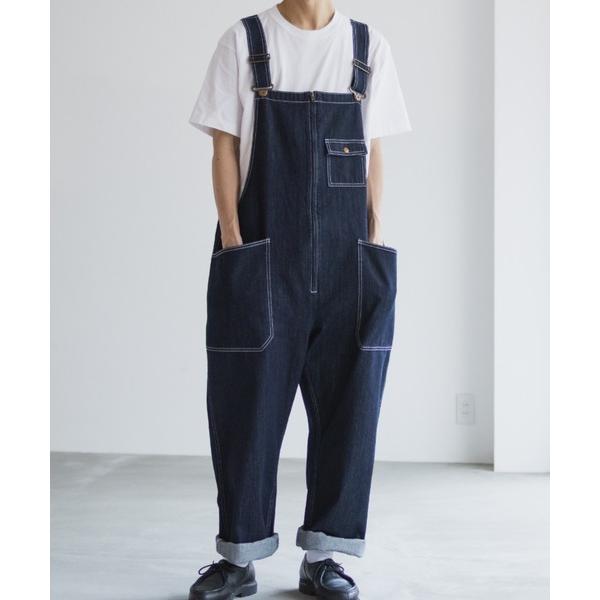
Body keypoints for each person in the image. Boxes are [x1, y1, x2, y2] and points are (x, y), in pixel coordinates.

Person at [188, 1, 410, 598]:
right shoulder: (245, 41)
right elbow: (225, 146)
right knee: (246, 409)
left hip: (349, 262)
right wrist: (234, 241)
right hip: (262, 255)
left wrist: (374, 236)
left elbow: (373, 149)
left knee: (350, 409)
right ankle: (238, 559)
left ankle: (325, 556)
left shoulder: (367, 47)